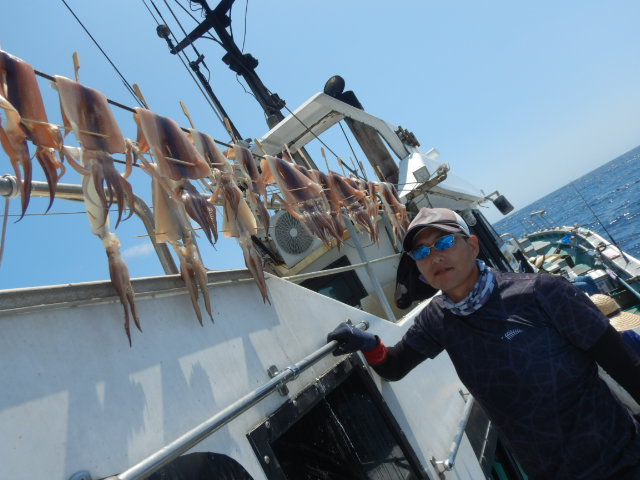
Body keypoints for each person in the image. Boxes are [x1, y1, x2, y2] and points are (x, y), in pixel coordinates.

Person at [327, 207, 640, 480]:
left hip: (621, 460)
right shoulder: (436, 318)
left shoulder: (543, 292)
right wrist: (369, 343)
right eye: (421, 253)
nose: (434, 256)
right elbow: (395, 366)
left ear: (473, 245)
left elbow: (625, 363)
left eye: (444, 242)